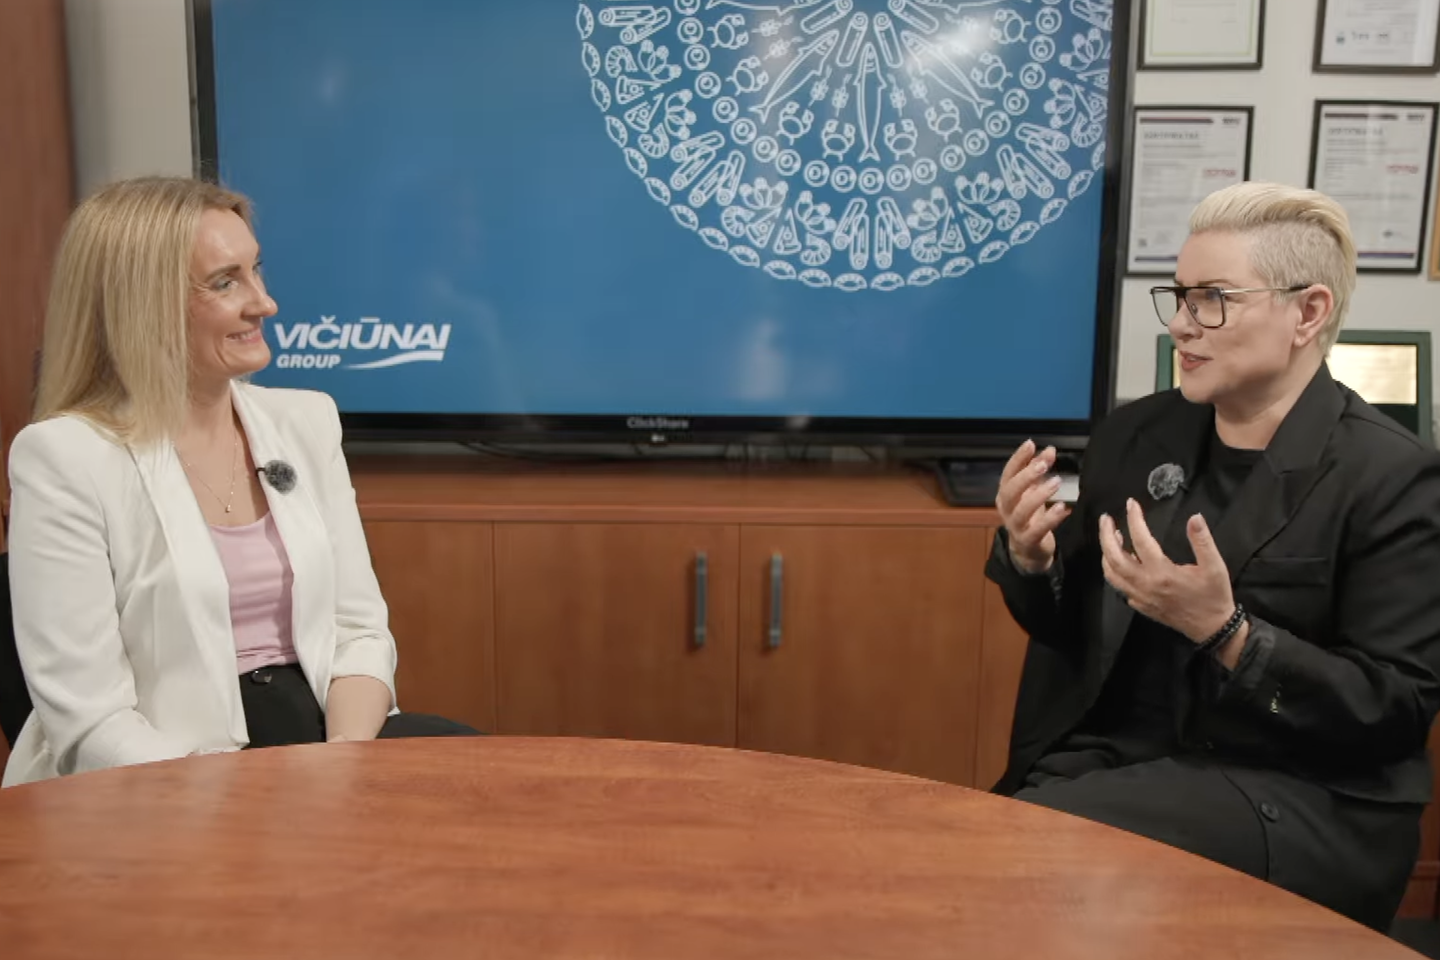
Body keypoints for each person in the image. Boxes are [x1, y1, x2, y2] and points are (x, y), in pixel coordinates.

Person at [987, 181, 1440, 930]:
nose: (1181, 325)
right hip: (1123, 756)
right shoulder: (1137, 435)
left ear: (1308, 313)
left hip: (1291, 785)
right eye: (1180, 297)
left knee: (1024, 857)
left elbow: (1389, 712)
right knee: (968, 848)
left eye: (1213, 300)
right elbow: (1068, 631)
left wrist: (1228, 634)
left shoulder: (1392, 477)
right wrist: (1031, 558)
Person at [3, 177, 476, 787]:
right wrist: (245, 797)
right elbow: (92, 723)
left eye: (256, 271)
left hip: (326, 741)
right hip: (162, 778)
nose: (264, 303)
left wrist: (341, 765)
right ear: (143, 304)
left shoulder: (305, 421)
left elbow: (358, 632)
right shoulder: (64, 457)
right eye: (226, 282)